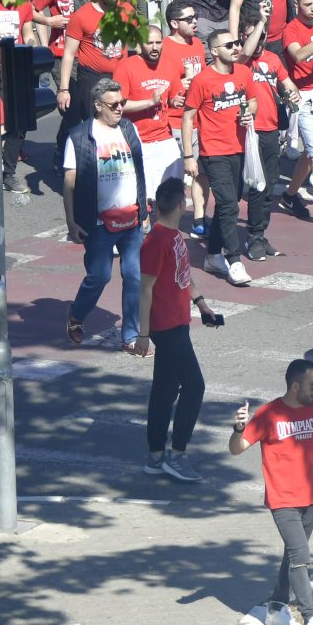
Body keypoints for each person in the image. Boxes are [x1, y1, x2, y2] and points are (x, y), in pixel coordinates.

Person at [229, 357, 313, 625]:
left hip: (310, 498)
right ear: (295, 385)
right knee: (301, 555)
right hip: (283, 500)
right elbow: (237, 449)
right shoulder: (269, 414)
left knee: (293, 555)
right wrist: (238, 429)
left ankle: (275, 608)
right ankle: (311, 617)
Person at [130, 174, 223, 479]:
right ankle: (177, 454)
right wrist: (143, 335)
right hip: (165, 327)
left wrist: (202, 305)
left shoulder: (175, 238)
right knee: (195, 386)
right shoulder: (157, 241)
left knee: (165, 389)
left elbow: (183, 276)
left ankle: (155, 456)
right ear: (182, 205)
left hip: (178, 323)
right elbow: (144, 289)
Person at [64, 77, 149, 350]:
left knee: (134, 275)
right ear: (98, 105)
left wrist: (144, 208)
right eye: (114, 105)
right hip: (98, 223)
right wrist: (71, 221)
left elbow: (139, 170)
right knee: (100, 275)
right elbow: (70, 184)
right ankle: (77, 315)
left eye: (122, 103)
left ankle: (131, 336)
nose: (120, 108)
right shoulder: (79, 137)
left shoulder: (128, 129)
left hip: (132, 219)